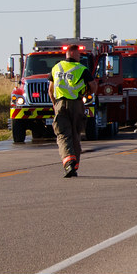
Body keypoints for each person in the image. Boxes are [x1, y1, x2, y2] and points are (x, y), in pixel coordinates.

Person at [48, 44, 97, 178]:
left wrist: (55, 105)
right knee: (75, 134)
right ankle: (74, 165)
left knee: (63, 134)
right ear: (74, 54)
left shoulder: (56, 68)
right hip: (77, 104)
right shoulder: (82, 69)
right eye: (79, 55)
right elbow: (93, 85)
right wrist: (89, 94)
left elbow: (50, 91)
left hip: (60, 103)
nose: (80, 57)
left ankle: (69, 162)